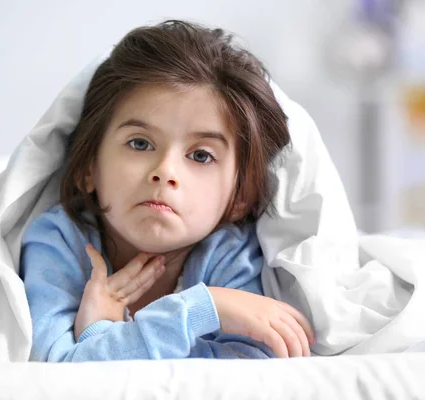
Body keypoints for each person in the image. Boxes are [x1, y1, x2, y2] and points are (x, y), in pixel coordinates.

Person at [19, 20, 315, 362]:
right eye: (140, 143)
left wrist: (100, 336)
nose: (165, 172)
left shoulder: (230, 254)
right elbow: (57, 367)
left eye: (201, 155)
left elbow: (244, 369)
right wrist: (205, 308)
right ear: (89, 169)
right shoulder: (58, 241)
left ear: (238, 198)